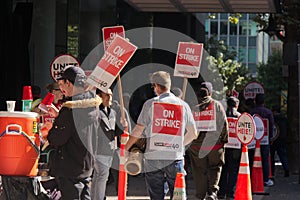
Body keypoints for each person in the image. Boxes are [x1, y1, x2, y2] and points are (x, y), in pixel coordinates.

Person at [125, 71, 198, 200]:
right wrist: (179, 144)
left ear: (157, 86)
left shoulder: (150, 104)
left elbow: (138, 130)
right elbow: (193, 133)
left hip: (153, 157)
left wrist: (126, 148)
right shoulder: (183, 105)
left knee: (156, 196)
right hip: (175, 157)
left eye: (153, 87)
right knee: (178, 196)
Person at [47, 66, 102, 199]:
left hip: (69, 168)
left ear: (69, 82)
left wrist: (53, 126)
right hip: (86, 166)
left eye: (62, 84)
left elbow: (56, 139)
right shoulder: (93, 106)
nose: (61, 89)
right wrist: (59, 117)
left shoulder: (70, 110)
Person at [188, 82, 229, 200]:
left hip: (196, 148)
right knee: (215, 168)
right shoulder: (217, 106)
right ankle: (212, 192)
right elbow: (224, 125)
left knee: (199, 171)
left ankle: (200, 195)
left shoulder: (193, 107)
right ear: (210, 93)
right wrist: (224, 141)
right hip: (214, 147)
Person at [91, 88, 127, 200]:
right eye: (106, 95)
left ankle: (94, 197)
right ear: (99, 96)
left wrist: (123, 125)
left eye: (110, 95)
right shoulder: (95, 112)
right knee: (102, 176)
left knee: (98, 176)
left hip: (109, 149)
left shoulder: (112, 112)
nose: (109, 98)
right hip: (99, 149)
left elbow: (115, 131)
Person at [218, 96, 241, 199]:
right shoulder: (240, 117)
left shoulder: (223, 116)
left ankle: (221, 192)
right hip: (236, 147)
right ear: (237, 105)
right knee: (233, 170)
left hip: (224, 146)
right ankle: (230, 193)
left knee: (223, 169)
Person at [251, 93, 275, 187]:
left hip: (253, 140)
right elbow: (271, 125)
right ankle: (265, 179)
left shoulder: (252, 112)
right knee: (265, 160)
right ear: (264, 102)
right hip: (265, 140)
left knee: (253, 159)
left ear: (255, 101)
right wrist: (271, 137)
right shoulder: (268, 112)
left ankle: (253, 179)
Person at [271, 105, 290, 177]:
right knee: (283, 155)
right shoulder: (284, 118)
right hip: (283, 139)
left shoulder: (273, 118)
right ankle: (286, 169)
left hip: (274, 139)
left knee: (272, 156)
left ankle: (271, 172)